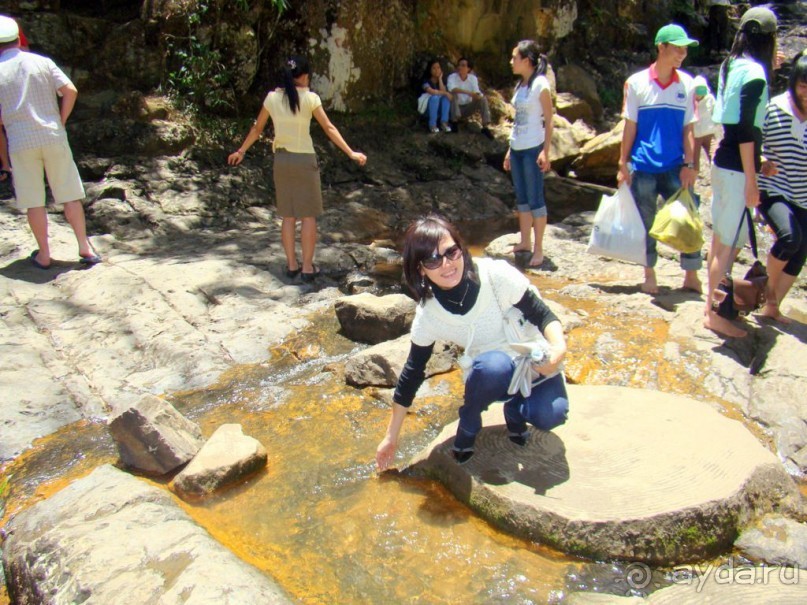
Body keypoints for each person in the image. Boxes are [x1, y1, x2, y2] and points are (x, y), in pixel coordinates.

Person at [375, 215, 568, 469]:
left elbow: (542, 314)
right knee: (493, 365)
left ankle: (515, 409)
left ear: (461, 248)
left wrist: (558, 349)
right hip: (490, 371)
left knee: (552, 414)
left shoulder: (496, 275)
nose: (446, 264)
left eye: (451, 252)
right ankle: (469, 418)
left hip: (532, 360)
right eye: (432, 260)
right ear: (420, 268)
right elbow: (412, 372)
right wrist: (391, 436)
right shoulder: (430, 314)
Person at [228, 55, 366, 281]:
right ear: (303, 76)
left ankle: (292, 265)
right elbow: (329, 128)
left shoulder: (272, 98)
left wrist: (241, 151)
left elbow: (257, 129)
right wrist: (351, 152)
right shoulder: (310, 98)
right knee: (308, 216)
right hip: (304, 160)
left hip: (282, 161)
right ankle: (308, 268)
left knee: (288, 216)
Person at [0, 15, 99, 269]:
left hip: (21, 141)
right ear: (17, 37)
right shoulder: (41, 61)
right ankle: (85, 248)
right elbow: (70, 91)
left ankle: (44, 255)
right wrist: (60, 121)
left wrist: (4, 159)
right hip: (52, 134)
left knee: (34, 200)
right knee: (69, 194)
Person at [705, 7, 779, 337]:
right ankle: (715, 314)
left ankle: (711, 307)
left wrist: (756, 163)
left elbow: (734, 127)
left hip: (722, 161)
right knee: (728, 247)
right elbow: (748, 130)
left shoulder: (730, 66)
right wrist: (753, 178)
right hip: (737, 170)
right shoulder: (756, 75)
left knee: (719, 240)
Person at [618, 24, 701, 295]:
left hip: (676, 165)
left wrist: (690, 164)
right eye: (677, 48)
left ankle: (691, 275)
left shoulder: (687, 84)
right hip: (643, 166)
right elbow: (629, 126)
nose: (682, 54)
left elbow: (689, 128)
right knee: (645, 221)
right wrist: (623, 163)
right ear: (661, 47)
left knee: (689, 216)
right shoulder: (637, 83)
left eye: (685, 49)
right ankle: (649, 274)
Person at [757, 50, 807, 323]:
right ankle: (768, 294)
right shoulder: (774, 109)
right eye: (803, 86)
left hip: (803, 193)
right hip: (774, 188)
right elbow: (753, 143)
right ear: (794, 83)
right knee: (789, 238)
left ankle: (772, 307)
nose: (806, 93)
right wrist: (762, 160)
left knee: (801, 253)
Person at [503, 40, 554, 268]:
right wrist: (508, 150)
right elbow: (517, 122)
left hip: (533, 148)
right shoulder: (521, 85)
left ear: (526, 60)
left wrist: (546, 151)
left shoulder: (540, 84)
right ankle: (525, 241)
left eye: (514, 57)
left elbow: (549, 120)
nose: (511, 62)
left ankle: (539, 248)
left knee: (535, 199)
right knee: (522, 199)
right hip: (517, 148)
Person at [446, 57, 493, 138]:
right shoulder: (452, 77)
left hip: (467, 108)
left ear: (468, 69)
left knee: (483, 99)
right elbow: (452, 89)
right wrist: (469, 93)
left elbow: (477, 92)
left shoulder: (473, 79)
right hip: (454, 107)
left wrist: (478, 96)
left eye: (463, 65)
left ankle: (485, 126)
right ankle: (454, 122)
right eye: (459, 65)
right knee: (454, 94)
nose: (460, 67)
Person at [692, 75, 719, 171]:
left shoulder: (710, 98)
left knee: (715, 159)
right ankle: (691, 183)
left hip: (709, 134)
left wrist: (717, 133)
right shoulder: (689, 100)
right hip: (696, 135)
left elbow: (716, 114)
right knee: (694, 163)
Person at [418, 59, 452, 134]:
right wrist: (445, 93)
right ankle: (432, 125)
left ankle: (444, 123)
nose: (437, 70)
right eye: (434, 68)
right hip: (427, 110)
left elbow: (443, 92)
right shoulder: (425, 81)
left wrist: (440, 79)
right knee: (435, 97)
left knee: (445, 98)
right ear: (430, 70)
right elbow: (431, 91)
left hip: (438, 110)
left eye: (438, 67)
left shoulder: (442, 81)